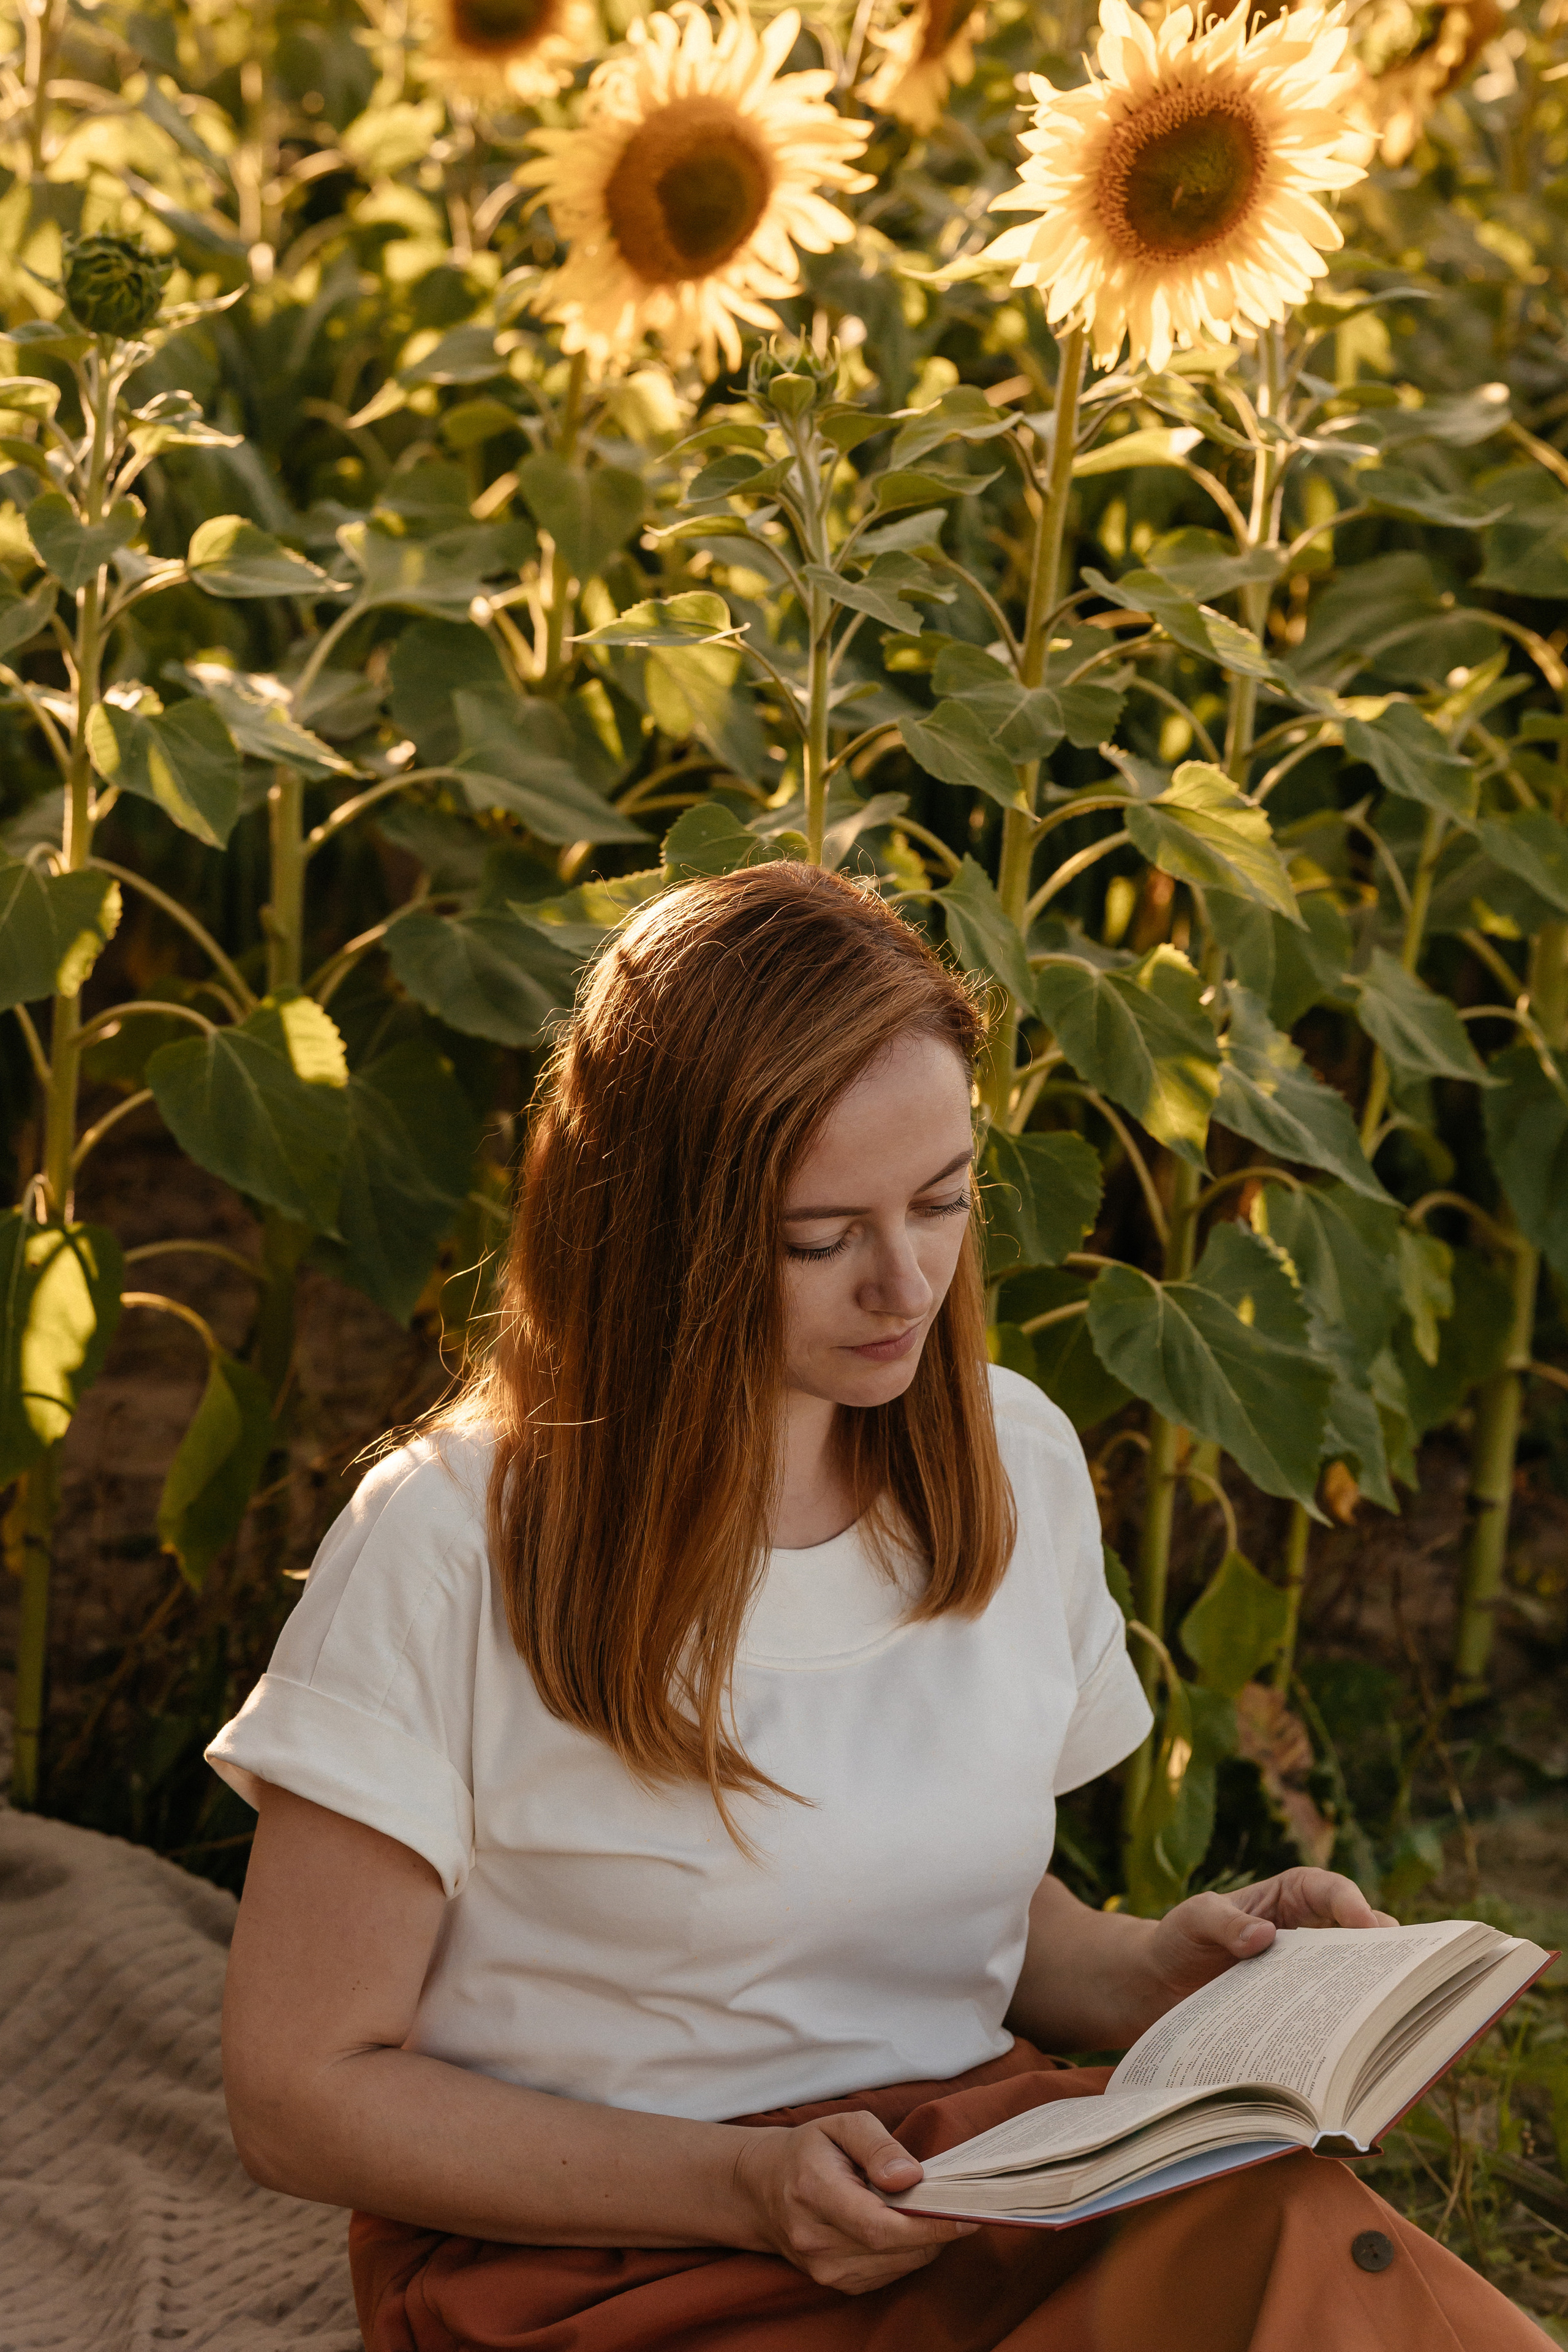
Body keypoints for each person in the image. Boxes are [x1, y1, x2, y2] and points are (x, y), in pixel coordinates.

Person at [211, 863, 1544, 2352]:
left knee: (1291, 2237)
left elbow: (964, 1927)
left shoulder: (1009, 1457)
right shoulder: (451, 1539)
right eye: (815, 1237)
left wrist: (1173, 1968)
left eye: (942, 1203)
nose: (903, 1282)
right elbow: (296, 2094)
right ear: (655, 1230)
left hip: (964, 2184)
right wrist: (735, 2184)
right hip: (606, 2255)